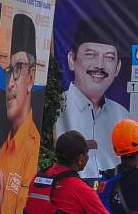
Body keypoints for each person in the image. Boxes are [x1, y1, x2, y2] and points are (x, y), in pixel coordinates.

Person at [0, 13, 42, 214]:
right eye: (9, 72)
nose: (10, 84)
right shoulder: (2, 151)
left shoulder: (33, 148)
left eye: (18, 70)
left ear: (31, 77)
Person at [56, 18, 130, 177]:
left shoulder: (123, 115)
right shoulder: (56, 109)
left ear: (117, 68)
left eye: (109, 57)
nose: (99, 65)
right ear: (71, 59)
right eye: (90, 55)